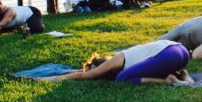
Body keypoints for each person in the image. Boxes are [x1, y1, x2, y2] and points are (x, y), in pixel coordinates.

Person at [39, 40, 191, 85]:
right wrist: (71, 71)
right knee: (130, 74)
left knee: (122, 78)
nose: (92, 73)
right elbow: (80, 72)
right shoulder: (127, 59)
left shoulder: (113, 61)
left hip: (169, 55)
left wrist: (47, 79)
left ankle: (168, 80)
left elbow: (83, 75)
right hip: (181, 51)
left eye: (92, 69)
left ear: (99, 64)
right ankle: (183, 74)